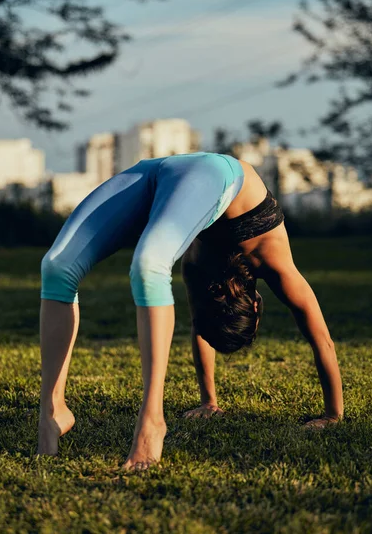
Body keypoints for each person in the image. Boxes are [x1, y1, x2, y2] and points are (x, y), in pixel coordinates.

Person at [37, 151, 343, 470]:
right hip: (216, 173)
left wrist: (209, 402)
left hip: (158, 171)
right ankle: (153, 420)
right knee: (148, 264)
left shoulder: (201, 269)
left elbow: (203, 324)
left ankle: (53, 410)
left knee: (57, 266)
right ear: (253, 301)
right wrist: (333, 414)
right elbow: (321, 340)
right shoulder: (277, 265)